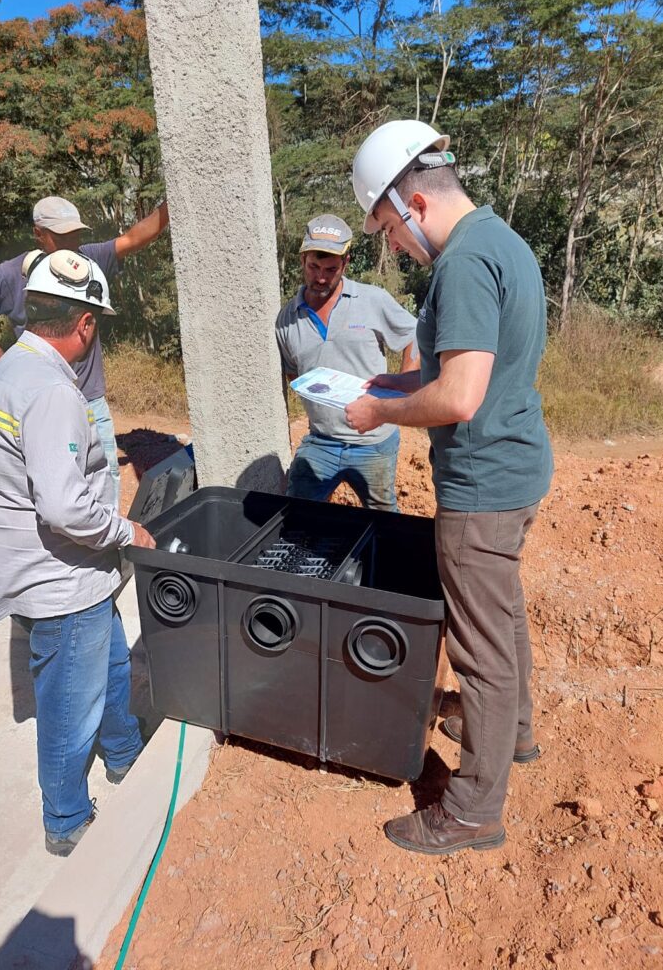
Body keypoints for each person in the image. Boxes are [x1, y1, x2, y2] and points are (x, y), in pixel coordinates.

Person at [346, 120, 553, 855]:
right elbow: (469, 366)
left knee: (480, 649)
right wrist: (396, 379)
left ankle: (471, 809)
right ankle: (515, 730)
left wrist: (379, 411)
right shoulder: (501, 240)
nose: (394, 249)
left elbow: (460, 397)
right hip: (518, 466)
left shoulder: (463, 263)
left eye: (389, 232)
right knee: (503, 619)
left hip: (482, 482)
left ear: (414, 204)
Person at [0, 249, 157, 857]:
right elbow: (67, 508)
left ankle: (124, 753)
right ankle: (66, 815)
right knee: (71, 703)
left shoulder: (6, 373)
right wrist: (127, 533)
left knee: (112, 666)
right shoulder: (50, 392)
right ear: (85, 324)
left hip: (61, 574)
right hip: (60, 580)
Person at [0, 196, 170, 506]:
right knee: (55, 491)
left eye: (76, 233)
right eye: (62, 235)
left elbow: (134, 238)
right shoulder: (12, 273)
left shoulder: (88, 260)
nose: (72, 242)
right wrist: (2, 362)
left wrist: (171, 203)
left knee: (104, 483)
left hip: (91, 402)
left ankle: (107, 548)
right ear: (38, 232)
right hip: (42, 404)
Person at [275, 214, 419, 511]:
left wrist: (405, 387)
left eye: (331, 269)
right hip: (321, 441)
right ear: (303, 260)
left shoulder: (371, 300)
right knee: (298, 515)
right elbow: (294, 375)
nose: (321, 277)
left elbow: (414, 336)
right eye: (314, 267)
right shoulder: (286, 320)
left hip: (374, 442)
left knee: (383, 522)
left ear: (346, 263)